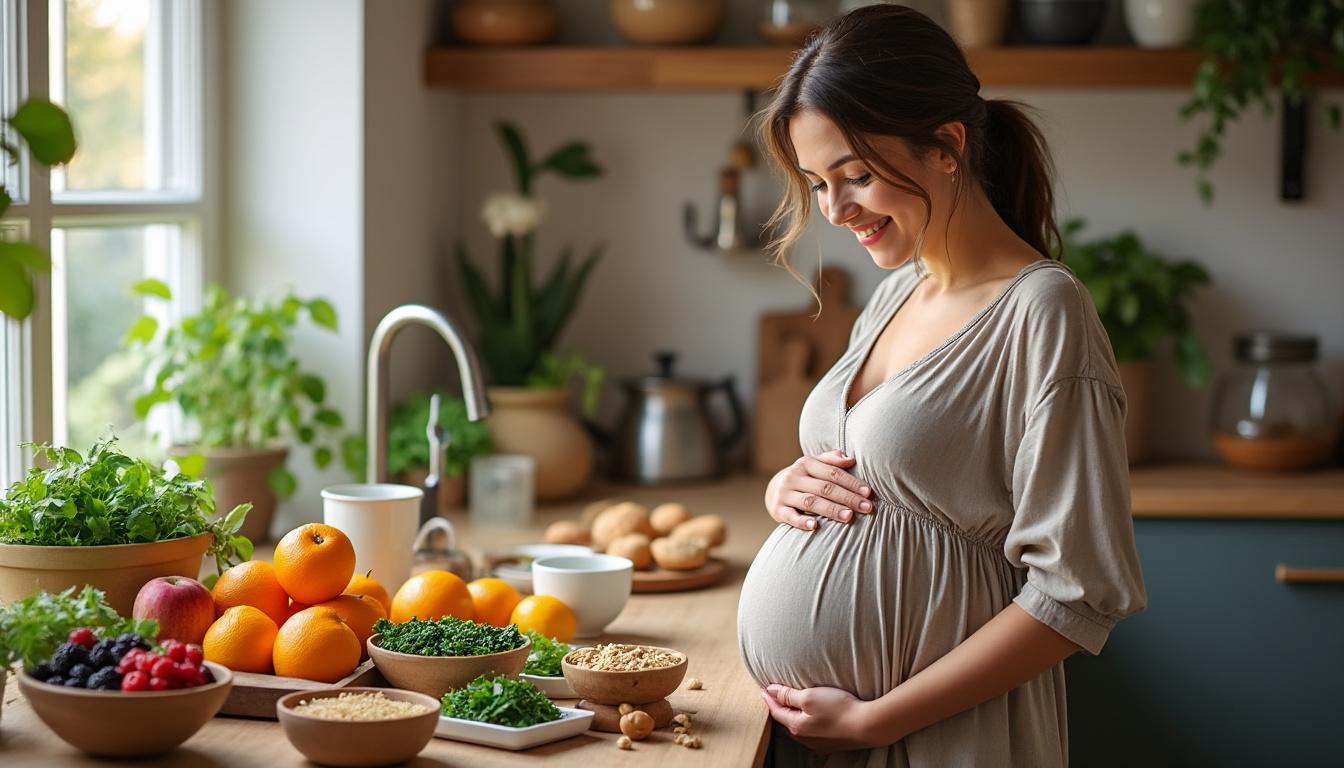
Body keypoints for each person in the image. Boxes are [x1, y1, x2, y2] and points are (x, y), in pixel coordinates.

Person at [735, 5, 1147, 767]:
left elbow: (1080, 594)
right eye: (819, 183)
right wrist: (786, 492)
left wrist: (877, 721)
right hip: (831, 738)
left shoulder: (1044, 311)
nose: (835, 209)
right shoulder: (900, 292)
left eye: (856, 175)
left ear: (947, 145)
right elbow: (877, 477)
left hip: (945, 740)